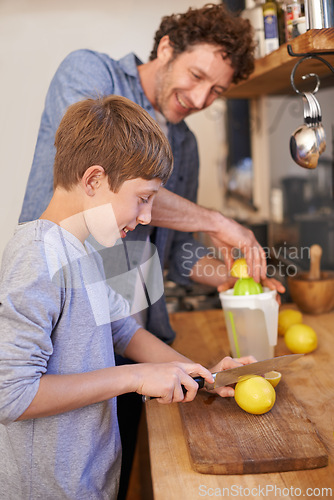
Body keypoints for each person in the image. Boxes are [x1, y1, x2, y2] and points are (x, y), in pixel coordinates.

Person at [0, 95, 255, 500]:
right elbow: (12, 395)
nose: (148, 216)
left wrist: (201, 375)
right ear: (94, 180)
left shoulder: (84, 250)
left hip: (89, 482)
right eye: (143, 198)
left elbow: (122, 331)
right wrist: (133, 377)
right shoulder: (36, 254)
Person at [19, 3, 284, 346]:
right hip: (63, 323)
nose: (201, 98)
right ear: (166, 49)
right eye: (197, 76)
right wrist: (217, 222)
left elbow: (177, 249)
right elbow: (109, 182)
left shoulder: (185, 144)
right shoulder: (91, 73)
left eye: (217, 91)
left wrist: (232, 278)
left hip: (131, 334)